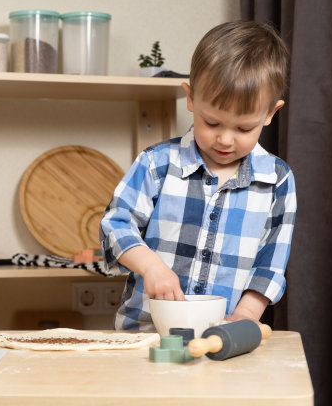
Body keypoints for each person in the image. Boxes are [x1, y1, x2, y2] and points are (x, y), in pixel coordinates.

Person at [99, 20, 296, 331]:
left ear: (270, 114)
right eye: (212, 123)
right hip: (145, 336)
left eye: (244, 128)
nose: (226, 140)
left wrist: (244, 317)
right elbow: (116, 224)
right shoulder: (156, 163)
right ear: (190, 98)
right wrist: (152, 267)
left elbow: (270, 262)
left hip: (222, 338)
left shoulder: (277, 180)